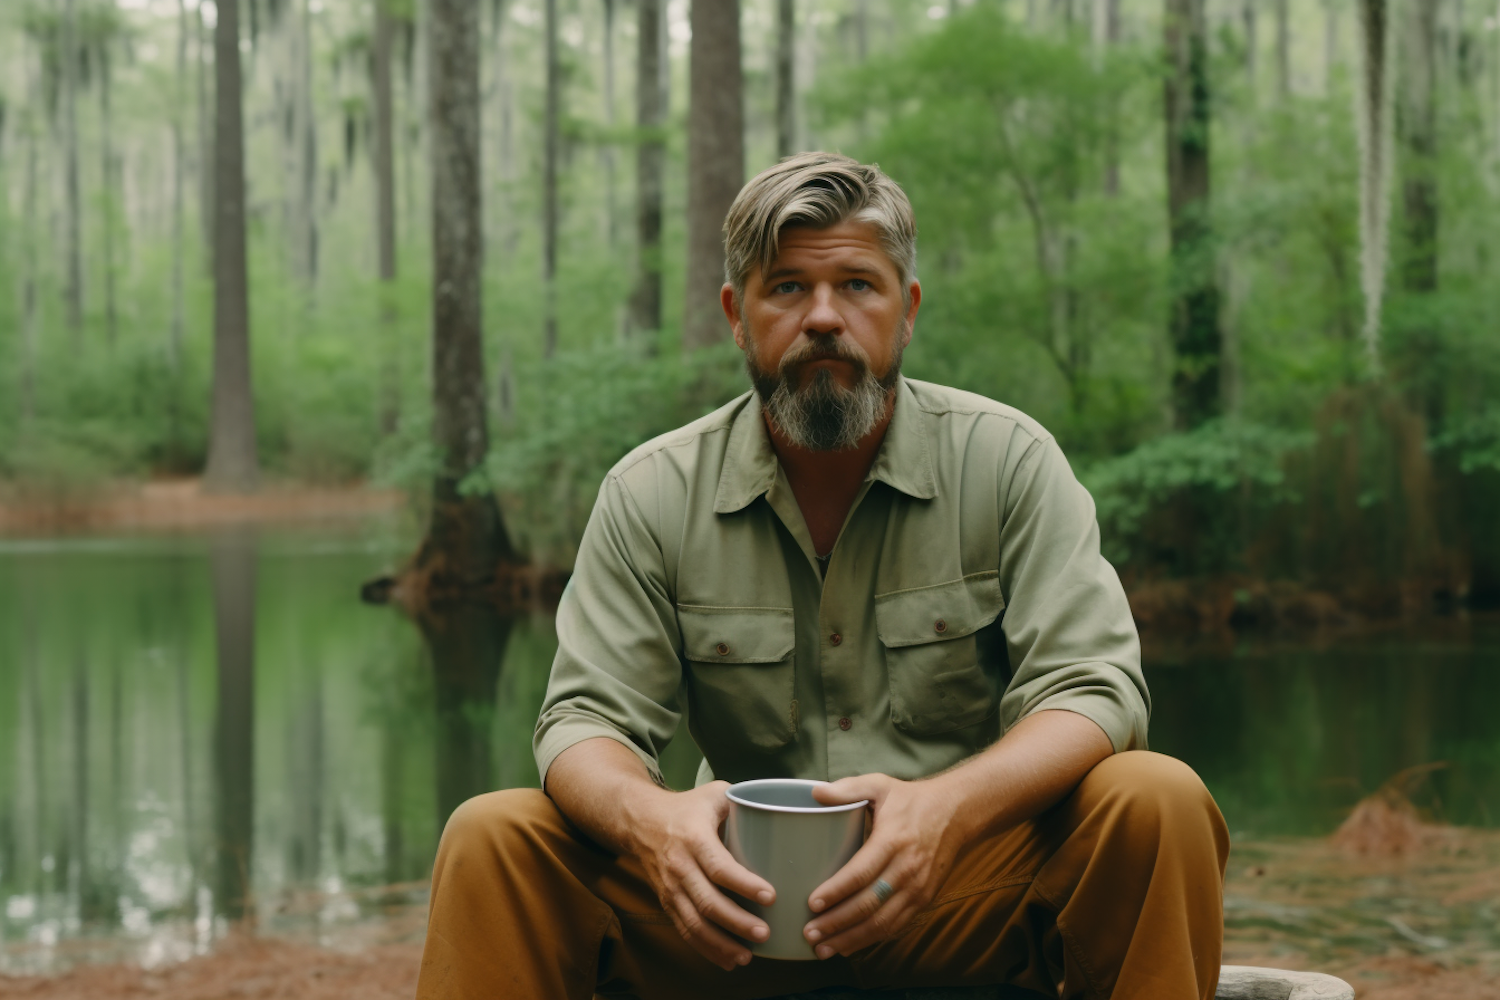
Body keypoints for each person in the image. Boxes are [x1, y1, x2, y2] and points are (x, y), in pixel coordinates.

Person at [414, 153, 1229, 1000]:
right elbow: (584, 718)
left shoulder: (1009, 462)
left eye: (858, 286)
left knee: (1156, 797)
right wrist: (654, 824)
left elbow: (1094, 688)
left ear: (906, 310)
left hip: (959, 903)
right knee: (494, 835)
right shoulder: (652, 491)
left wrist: (945, 815)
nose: (825, 318)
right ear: (738, 315)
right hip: (728, 921)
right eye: (788, 288)